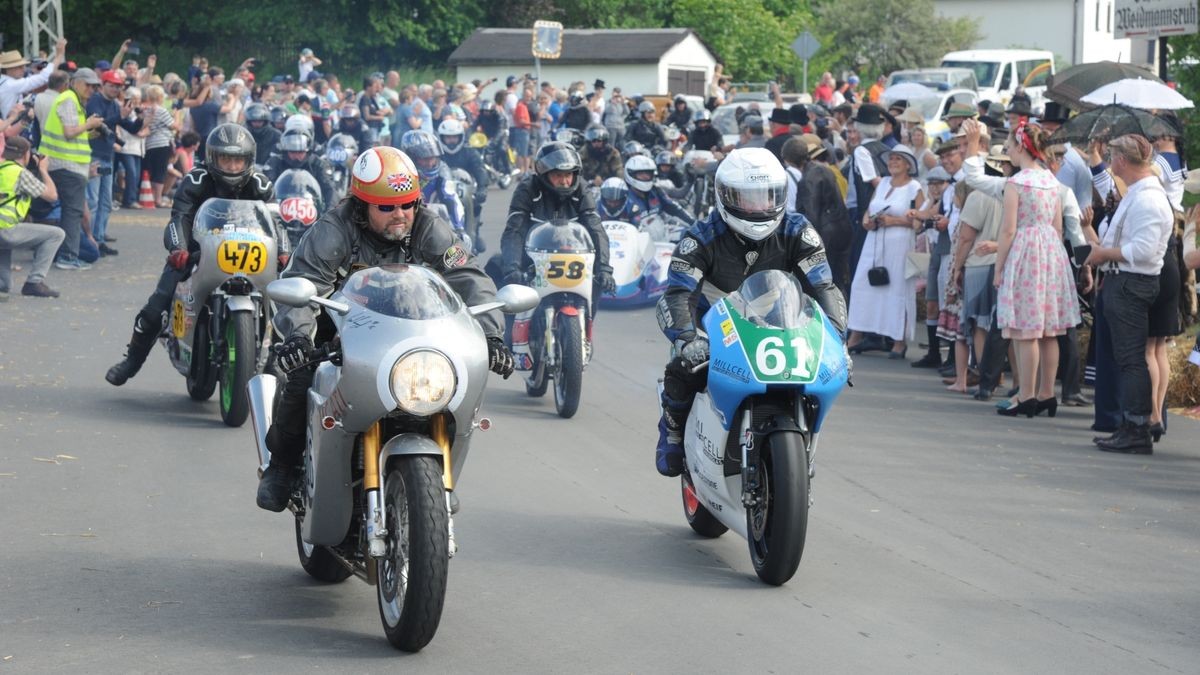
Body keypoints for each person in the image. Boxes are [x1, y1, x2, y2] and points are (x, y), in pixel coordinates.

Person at [256, 146, 513, 510]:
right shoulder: (334, 229)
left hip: (410, 326)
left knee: (454, 378)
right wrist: (299, 334)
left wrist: (491, 334)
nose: (400, 214)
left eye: (407, 204)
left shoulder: (428, 226)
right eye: (387, 207)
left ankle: (439, 481)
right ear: (363, 205)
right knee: (303, 371)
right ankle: (281, 466)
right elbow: (303, 284)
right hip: (342, 325)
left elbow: (470, 277)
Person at [653, 147, 847, 476]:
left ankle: (801, 445)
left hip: (778, 317)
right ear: (725, 196)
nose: (759, 207)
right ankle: (672, 427)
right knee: (685, 365)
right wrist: (687, 338)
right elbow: (677, 294)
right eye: (748, 199)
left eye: (767, 197)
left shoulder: (799, 231)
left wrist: (836, 336)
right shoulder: (699, 237)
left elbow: (823, 287)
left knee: (815, 372)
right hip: (713, 316)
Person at [105, 124, 276, 387]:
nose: (231, 166)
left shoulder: (261, 184)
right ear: (212, 158)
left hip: (249, 255)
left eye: (237, 159)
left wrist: (285, 253)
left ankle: (277, 364)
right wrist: (179, 250)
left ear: (248, 160)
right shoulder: (196, 180)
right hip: (199, 253)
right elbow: (180, 218)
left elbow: (276, 224)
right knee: (154, 309)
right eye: (225, 159)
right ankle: (132, 361)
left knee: (285, 305)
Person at [1083, 135, 1173, 453]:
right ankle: (1132, 424)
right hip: (1126, 281)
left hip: (1132, 282)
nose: (1109, 161)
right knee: (1128, 358)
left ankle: (1137, 427)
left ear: (1122, 160)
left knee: (1131, 359)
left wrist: (1105, 254)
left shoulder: (1148, 197)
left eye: (1111, 156)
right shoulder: (1139, 193)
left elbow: (1145, 251)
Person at [994, 123, 1080, 418]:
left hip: (1026, 250)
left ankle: (1026, 394)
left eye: (1009, 144)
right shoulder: (1051, 182)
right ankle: (1046, 393)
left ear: (1021, 147)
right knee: (1049, 330)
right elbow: (1058, 227)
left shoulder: (1017, 183)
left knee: (1026, 329)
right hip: (1051, 251)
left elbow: (1007, 231)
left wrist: (999, 268)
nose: (1007, 150)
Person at [499, 141, 614, 294]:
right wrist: (513, 268)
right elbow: (514, 229)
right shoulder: (527, 188)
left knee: (600, 279)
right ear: (544, 174)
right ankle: (503, 318)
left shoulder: (582, 189)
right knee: (496, 265)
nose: (564, 181)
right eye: (558, 175)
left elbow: (595, 227)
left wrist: (604, 269)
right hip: (532, 259)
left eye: (568, 175)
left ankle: (587, 315)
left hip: (574, 257)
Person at [846, 145, 924, 359]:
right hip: (874, 240)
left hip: (899, 243)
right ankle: (857, 332)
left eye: (898, 159)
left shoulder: (914, 187)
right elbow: (869, 209)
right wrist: (867, 222)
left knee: (897, 288)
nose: (893, 162)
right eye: (891, 159)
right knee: (862, 284)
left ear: (908, 164)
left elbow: (919, 221)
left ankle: (898, 341)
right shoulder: (883, 184)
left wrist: (895, 221)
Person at [44, 67, 105, 270]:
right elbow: (70, 132)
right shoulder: (70, 99)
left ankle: (58, 253)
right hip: (66, 165)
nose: (91, 89)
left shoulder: (73, 100)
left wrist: (89, 132)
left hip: (64, 164)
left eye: (94, 86)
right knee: (73, 212)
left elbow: (69, 133)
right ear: (74, 82)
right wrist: (89, 125)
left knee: (68, 212)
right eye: (87, 84)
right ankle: (67, 257)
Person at [782, 135, 852, 293]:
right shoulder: (823, 170)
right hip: (842, 230)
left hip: (827, 236)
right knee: (839, 281)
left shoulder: (807, 179)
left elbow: (810, 215)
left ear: (786, 158)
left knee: (826, 284)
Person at [0, 136, 65, 298]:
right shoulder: (20, 173)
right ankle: (34, 282)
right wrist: (43, 170)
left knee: (4, 285)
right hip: (6, 230)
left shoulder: (2, 169)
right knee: (56, 234)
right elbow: (52, 196)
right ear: (26, 155)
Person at [399, 129, 467, 239]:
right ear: (412, 157)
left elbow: (451, 199)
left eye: (433, 158)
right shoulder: (400, 173)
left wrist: (459, 229)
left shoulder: (442, 170)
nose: (430, 164)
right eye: (425, 159)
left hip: (434, 223)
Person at [264, 128, 336, 209]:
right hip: (281, 209)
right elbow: (266, 187)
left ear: (307, 151)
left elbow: (330, 190)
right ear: (286, 151)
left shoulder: (319, 164)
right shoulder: (274, 163)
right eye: (292, 152)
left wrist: (329, 213)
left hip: (312, 209)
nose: (296, 156)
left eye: (300, 152)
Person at [620, 154, 692, 226]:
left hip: (658, 234)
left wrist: (694, 223)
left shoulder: (656, 191)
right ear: (630, 173)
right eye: (641, 174)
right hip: (633, 235)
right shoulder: (622, 197)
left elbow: (675, 209)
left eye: (648, 173)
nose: (645, 177)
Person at [143, 84, 179, 208]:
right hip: (162, 143)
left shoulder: (146, 110)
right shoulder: (161, 110)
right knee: (160, 171)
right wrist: (177, 115)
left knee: (152, 170)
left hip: (150, 144)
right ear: (159, 97)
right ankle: (158, 199)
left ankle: (151, 196)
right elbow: (174, 126)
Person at [242, 102, 280, 166]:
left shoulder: (276, 135)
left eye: (259, 121)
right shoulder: (243, 134)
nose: (257, 124)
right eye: (254, 121)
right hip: (247, 168)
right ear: (249, 121)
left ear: (265, 121)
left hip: (269, 169)